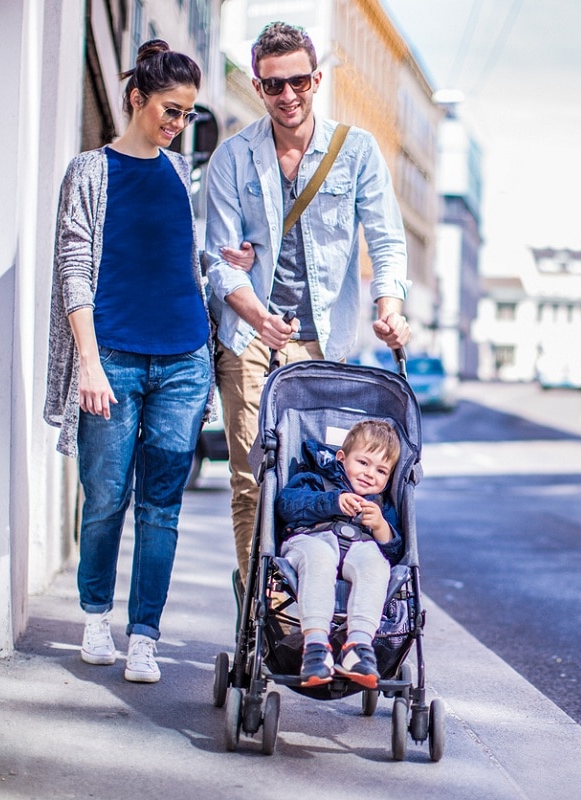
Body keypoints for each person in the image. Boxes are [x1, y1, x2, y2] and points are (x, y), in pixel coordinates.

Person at [44, 40, 233, 683]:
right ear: (136, 99)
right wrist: (88, 364)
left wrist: (223, 267)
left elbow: (179, 263)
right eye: (169, 110)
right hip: (114, 358)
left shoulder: (181, 175)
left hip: (183, 357)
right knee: (104, 498)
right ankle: (96, 614)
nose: (177, 124)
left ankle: (145, 632)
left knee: (162, 505)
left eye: (186, 114)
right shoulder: (90, 171)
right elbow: (74, 267)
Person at [204, 21, 412, 580]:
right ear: (257, 86)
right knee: (251, 477)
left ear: (316, 79)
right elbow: (219, 261)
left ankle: (306, 597)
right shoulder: (233, 158)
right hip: (250, 338)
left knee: (311, 477)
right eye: (273, 85)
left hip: (324, 342)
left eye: (298, 81)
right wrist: (257, 316)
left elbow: (387, 240)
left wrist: (389, 307)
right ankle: (263, 610)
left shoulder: (356, 151)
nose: (287, 95)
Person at [275, 420, 404, 688]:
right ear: (341, 458)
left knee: (377, 564)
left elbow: (394, 553)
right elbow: (287, 505)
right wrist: (331, 502)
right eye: (363, 463)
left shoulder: (381, 505)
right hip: (310, 540)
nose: (370, 474)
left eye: (381, 470)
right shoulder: (316, 479)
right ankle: (316, 646)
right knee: (319, 557)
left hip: (359, 548)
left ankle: (358, 645)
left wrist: (380, 526)